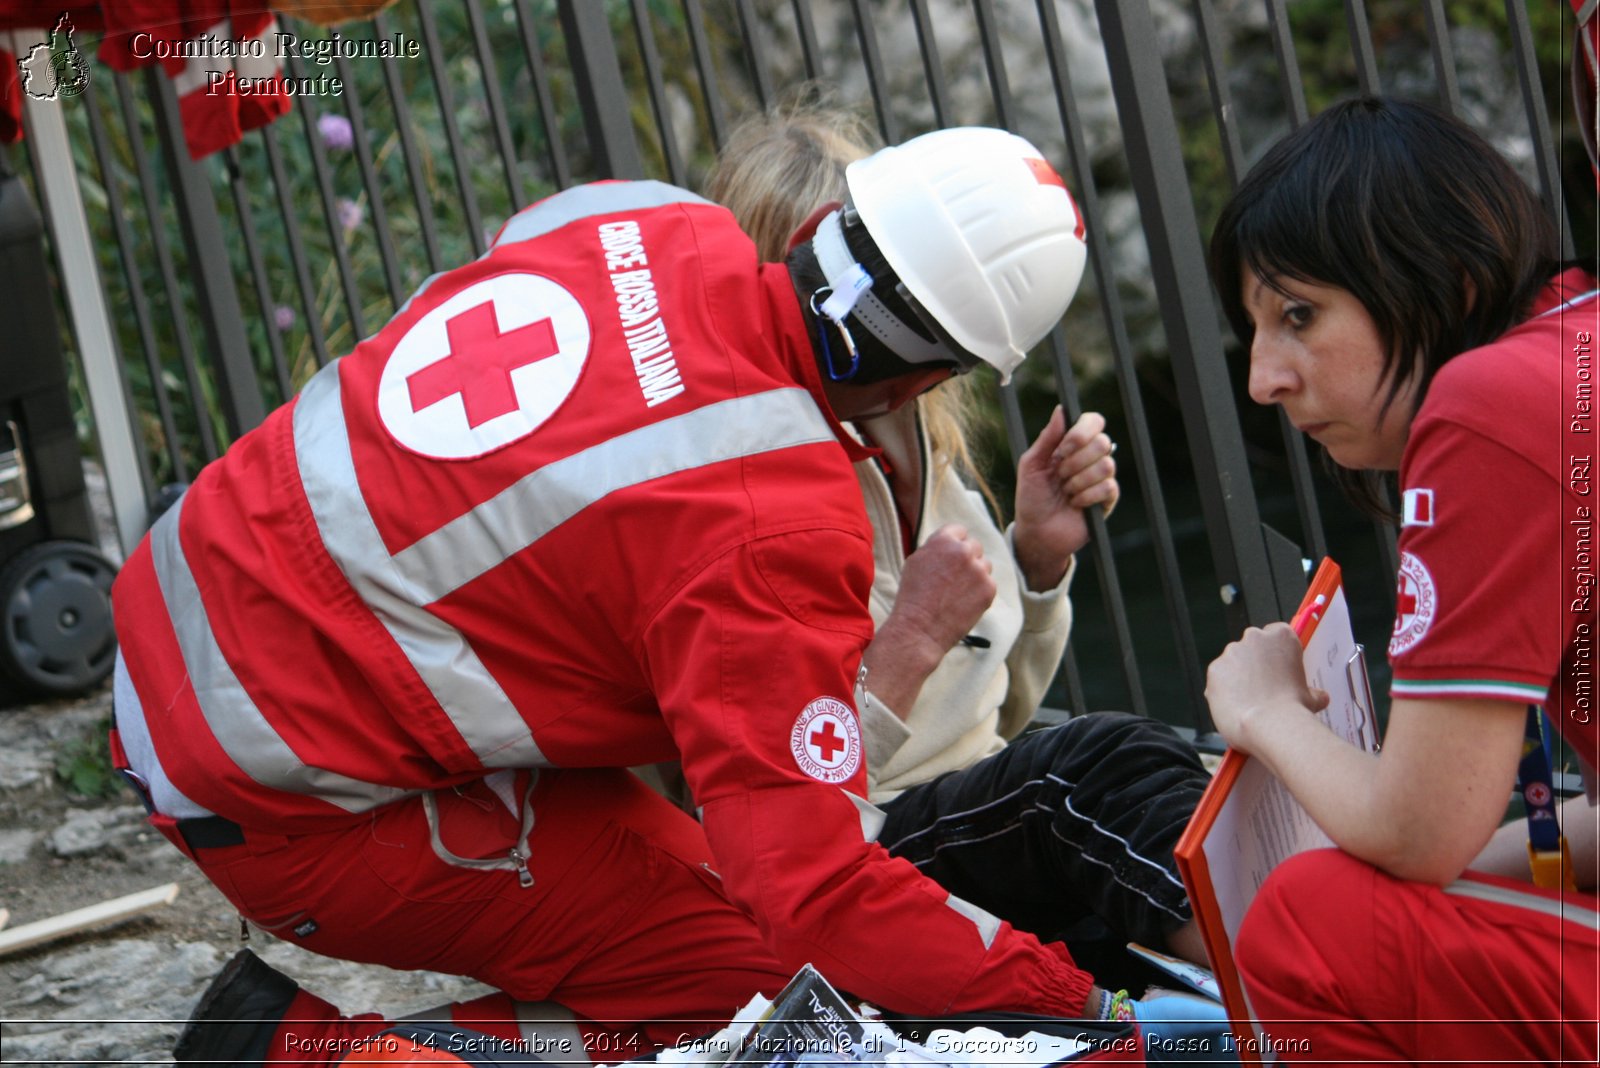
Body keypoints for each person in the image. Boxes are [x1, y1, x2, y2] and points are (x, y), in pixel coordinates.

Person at [108, 125, 1209, 1067]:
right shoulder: (779, 523)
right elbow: (814, 887)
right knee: (767, 990)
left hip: (176, 606)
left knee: (709, 922)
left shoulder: (630, 213)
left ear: (815, 229)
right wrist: (1091, 1020)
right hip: (271, 781)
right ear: (931, 376)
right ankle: (315, 1057)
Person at [701, 102, 1214, 978]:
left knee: (1176, 791)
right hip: (851, 849)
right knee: (1104, 766)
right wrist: (908, 644)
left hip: (972, 810)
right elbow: (770, 806)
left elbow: (998, 720)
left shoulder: (920, 436)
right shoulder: (737, 487)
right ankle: (1322, 1001)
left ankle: (1313, 973)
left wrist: (1038, 562)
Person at [1205, 95, 1599, 1062]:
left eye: (1299, 315)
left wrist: (1265, 712)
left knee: (1312, 920)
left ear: (1448, 284)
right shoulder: (1575, 340)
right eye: (1256, 328)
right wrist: (1474, 868)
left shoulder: (1488, 406)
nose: (1263, 378)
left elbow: (1417, 830)